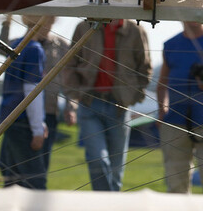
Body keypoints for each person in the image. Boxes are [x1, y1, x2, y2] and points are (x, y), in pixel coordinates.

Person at [64, 19, 152, 191]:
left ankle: (109, 201)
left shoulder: (135, 30)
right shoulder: (84, 27)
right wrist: (75, 95)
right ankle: (105, 200)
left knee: (116, 169)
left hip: (120, 105)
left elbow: (145, 66)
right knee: (97, 159)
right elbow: (70, 63)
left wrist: (133, 96)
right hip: (90, 102)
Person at [0, 15, 76, 173]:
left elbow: (69, 79)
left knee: (37, 166)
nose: (47, 27)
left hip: (47, 111)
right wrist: (7, 22)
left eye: (49, 22)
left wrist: (71, 106)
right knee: (9, 166)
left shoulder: (60, 45)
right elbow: (1, 48)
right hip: (18, 112)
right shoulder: (20, 44)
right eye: (44, 22)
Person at [157, 21, 203, 193]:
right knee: (176, 184)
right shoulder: (171, 44)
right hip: (175, 121)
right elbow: (162, 84)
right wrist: (162, 111)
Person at [0, 22, 48, 189]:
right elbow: (32, 91)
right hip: (22, 120)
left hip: (8, 117)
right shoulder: (34, 49)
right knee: (35, 180)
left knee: (11, 178)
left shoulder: (16, 45)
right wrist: (38, 129)